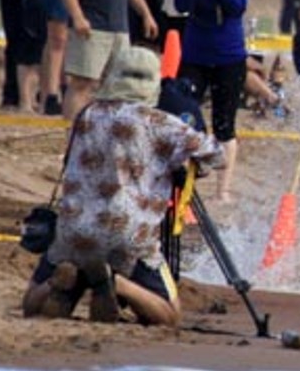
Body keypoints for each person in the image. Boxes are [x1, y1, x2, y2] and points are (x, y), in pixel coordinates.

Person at [22, 47, 223, 327]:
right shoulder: (157, 122)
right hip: (130, 232)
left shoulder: (86, 114)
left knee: (32, 304)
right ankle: (118, 284)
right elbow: (215, 153)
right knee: (169, 314)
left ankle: (64, 283)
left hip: (75, 227)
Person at [174, 0, 249, 201]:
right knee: (186, 117)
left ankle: (223, 189)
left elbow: (237, 7)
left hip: (229, 57)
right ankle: (183, 184)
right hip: (195, 55)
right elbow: (180, 4)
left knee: (224, 124)